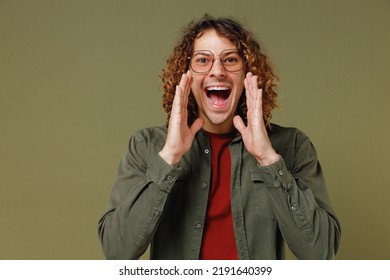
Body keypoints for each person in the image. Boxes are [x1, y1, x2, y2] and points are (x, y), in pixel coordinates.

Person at [98, 14, 341, 260]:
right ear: (186, 75)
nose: (218, 71)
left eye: (231, 60)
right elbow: (117, 252)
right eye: (203, 60)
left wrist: (269, 160)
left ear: (249, 72)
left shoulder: (293, 146)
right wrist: (169, 157)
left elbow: (320, 253)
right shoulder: (145, 146)